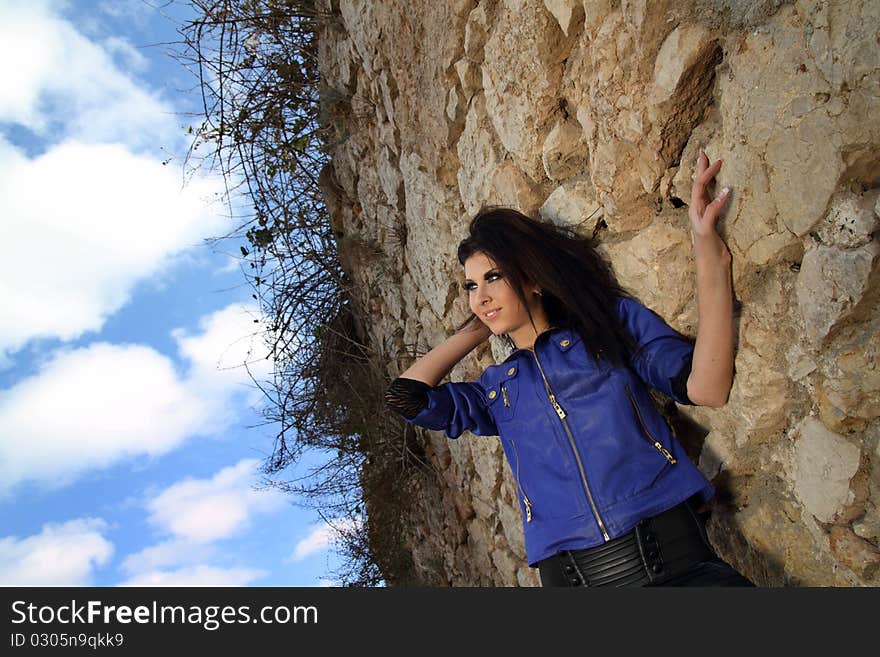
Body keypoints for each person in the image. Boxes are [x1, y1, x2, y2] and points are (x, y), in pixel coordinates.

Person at [384, 152, 754, 587]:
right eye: (470, 285)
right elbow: (407, 397)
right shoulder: (495, 391)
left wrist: (709, 254)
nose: (479, 295)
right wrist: (479, 325)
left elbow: (706, 386)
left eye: (495, 276)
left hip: (677, 568)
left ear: (533, 277)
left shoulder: (605, 328)